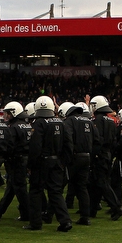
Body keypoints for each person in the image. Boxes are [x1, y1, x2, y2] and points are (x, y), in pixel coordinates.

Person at [25, 96, 73, 231]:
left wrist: (31, 164)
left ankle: (35, 223)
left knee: (35, 191)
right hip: (57, 161)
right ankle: (65, 221)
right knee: (56, 192)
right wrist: (63, 161)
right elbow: (68, 145)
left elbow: (35, 146)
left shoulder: (39, 123)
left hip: (42, 162)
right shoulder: (61, 122)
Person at [88, 96, 122, 220]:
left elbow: (97, 140)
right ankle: (92, 210)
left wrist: (94, 155)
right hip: (108, 154)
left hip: (100, 154)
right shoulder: (111, 120)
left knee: (101, 182)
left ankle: (116, 207)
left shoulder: (97, 120)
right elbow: (114, 140)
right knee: (96, 183)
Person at [0, 101, 31, 222]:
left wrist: (4, 156)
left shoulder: (14, 127)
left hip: (16, 160)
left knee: (20, 189)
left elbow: (10, 145)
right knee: (12, 187)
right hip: (25, 159)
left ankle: (27, 213)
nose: (6, 116)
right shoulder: (26, 125)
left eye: (8, 113)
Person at [62, 102, 93, 225]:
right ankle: (85, 217)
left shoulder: (69, 121)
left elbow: (68, 139)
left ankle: (50, 214)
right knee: (82, 187)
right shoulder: (88, 121)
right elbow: (97, 140)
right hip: (86, 157)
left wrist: (67, 157)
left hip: (74, 158)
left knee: (58, 187)